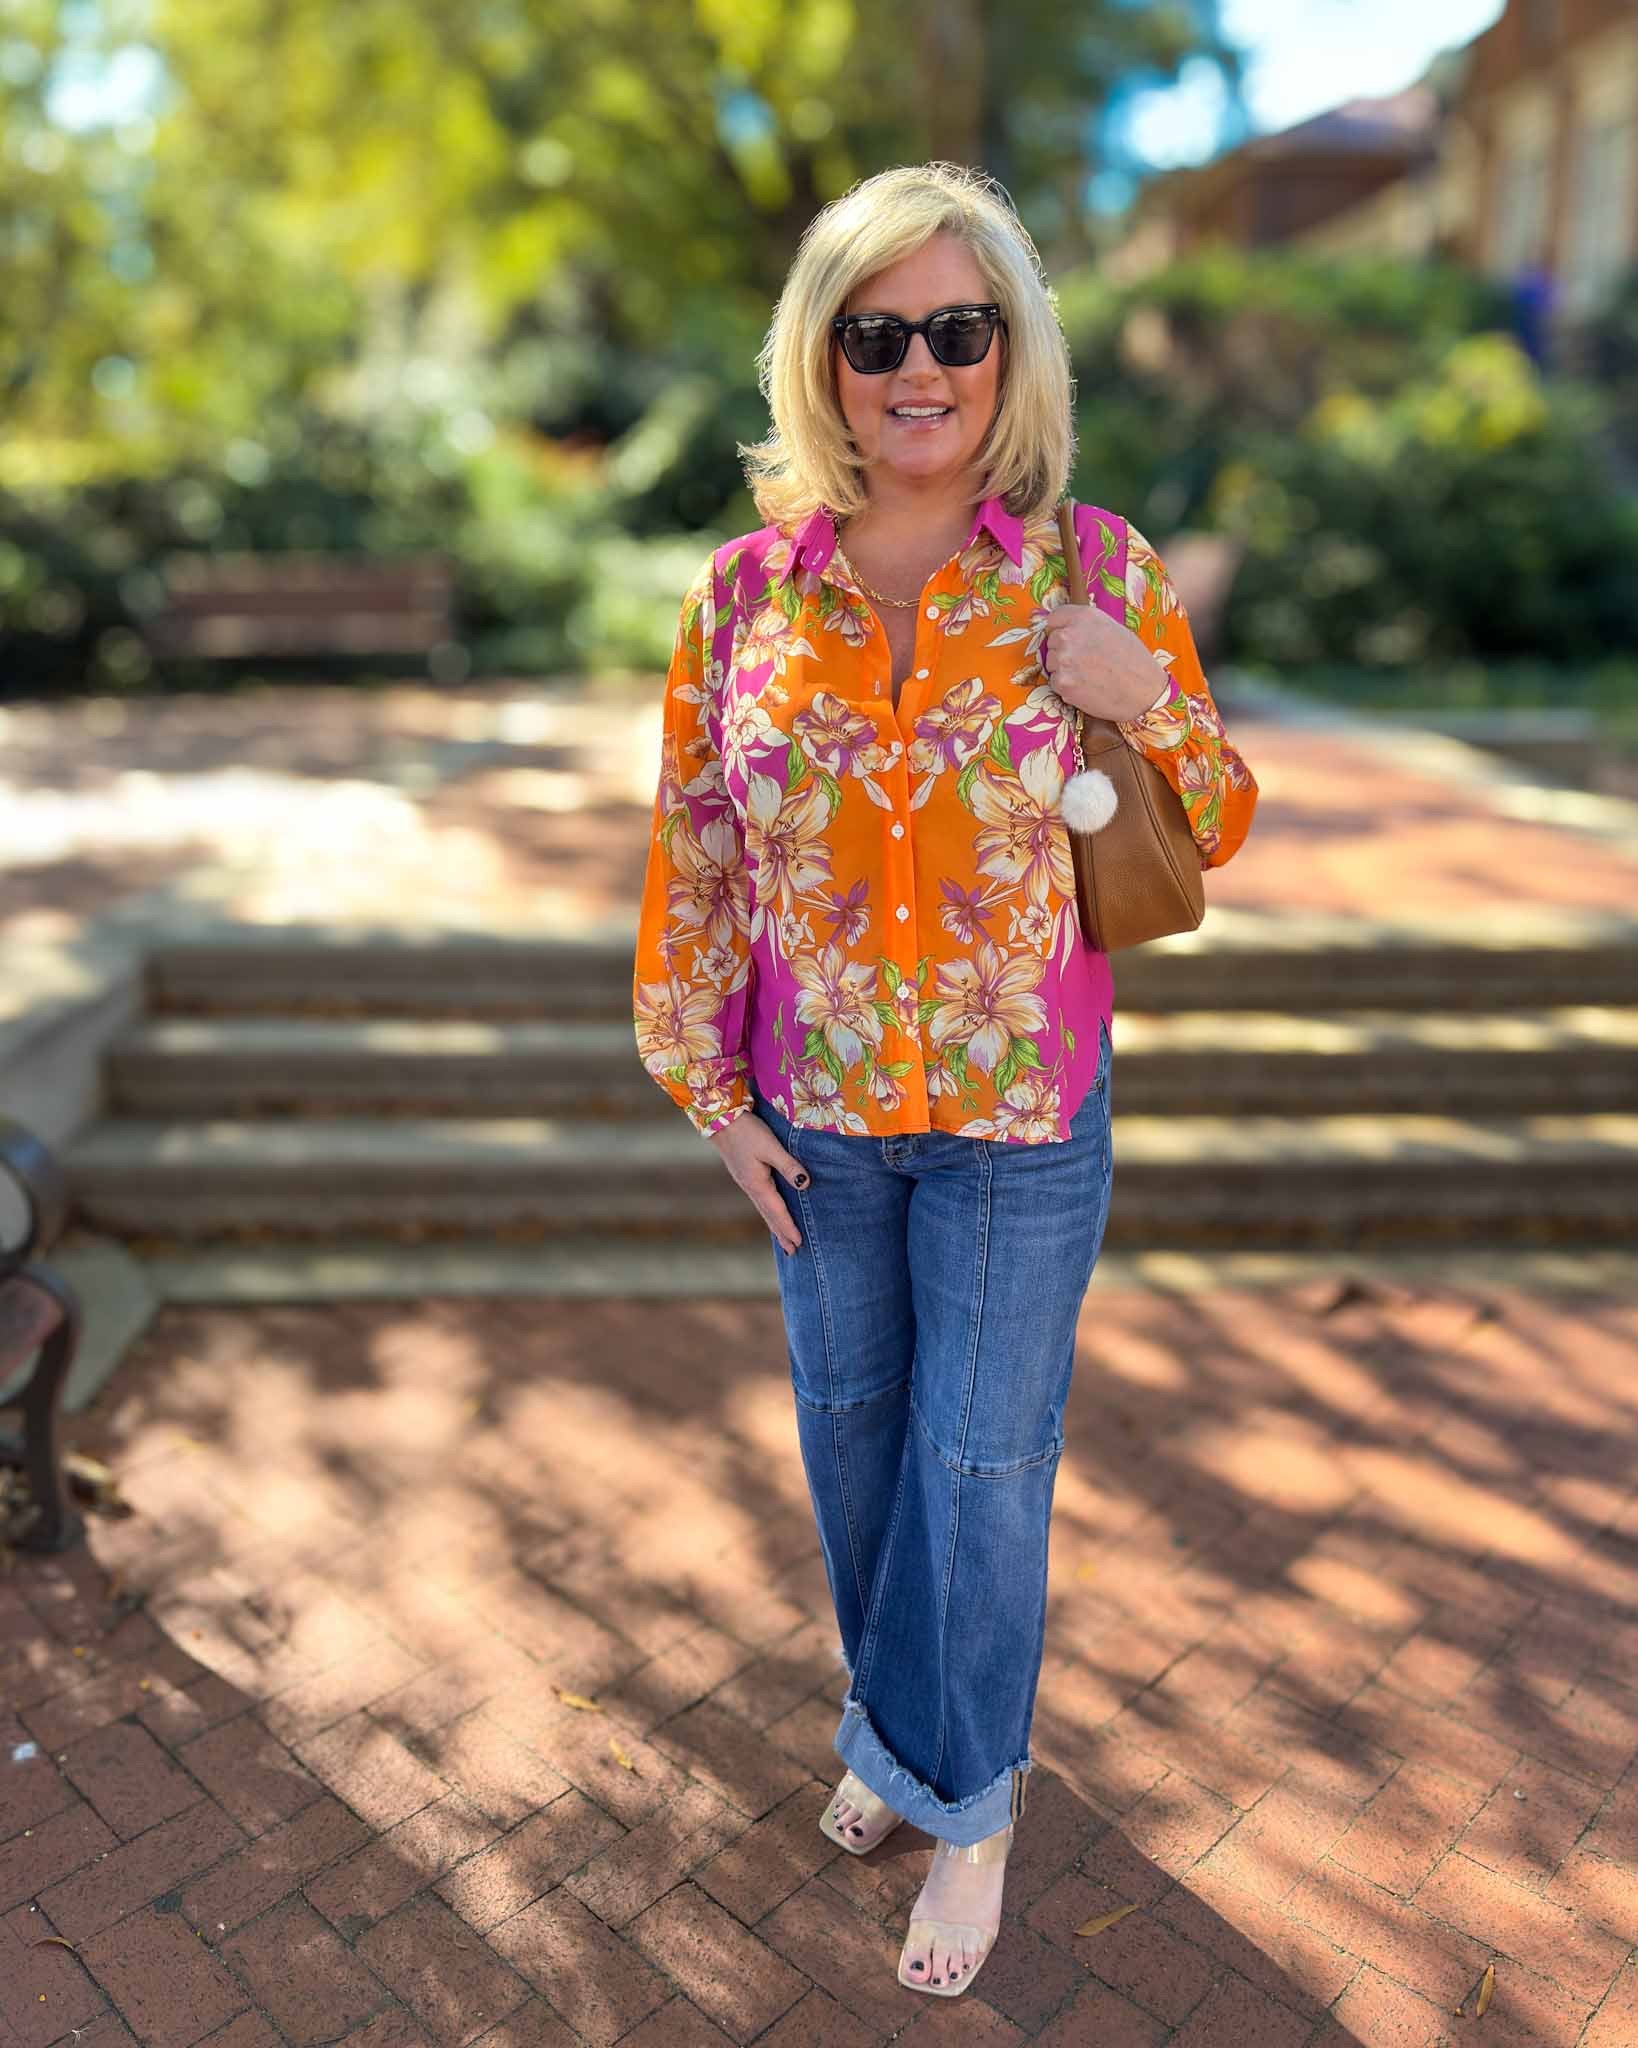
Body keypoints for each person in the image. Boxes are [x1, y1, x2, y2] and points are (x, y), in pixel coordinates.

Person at [633, 159, 1258, 1999]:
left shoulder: (1094, 567)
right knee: (853, 1448)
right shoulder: (741, 597)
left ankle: (964, 1802)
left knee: (979, 1467)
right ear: (820, 361)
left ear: (1012, 353)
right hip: (814, 1117)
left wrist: (1138, 690)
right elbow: (694, 849)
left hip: (1017, 1122)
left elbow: (1215, 818)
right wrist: (707, 1095)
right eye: (874, 334)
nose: (918, 368)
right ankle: (902, 1733)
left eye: (957, 330)